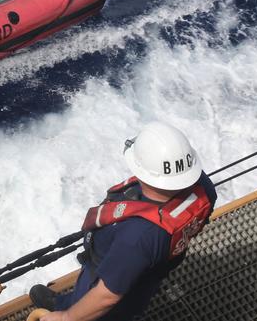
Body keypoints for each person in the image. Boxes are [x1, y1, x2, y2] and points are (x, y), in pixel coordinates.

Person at [29, 122, 217, 321]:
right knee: (135, 297)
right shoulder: (204, 187)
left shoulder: (137, 237)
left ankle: (69, 308)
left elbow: (107, 295)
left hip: (111, 279)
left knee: (103, 307)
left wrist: (66, 317)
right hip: (153, 271)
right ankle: (68, 303)